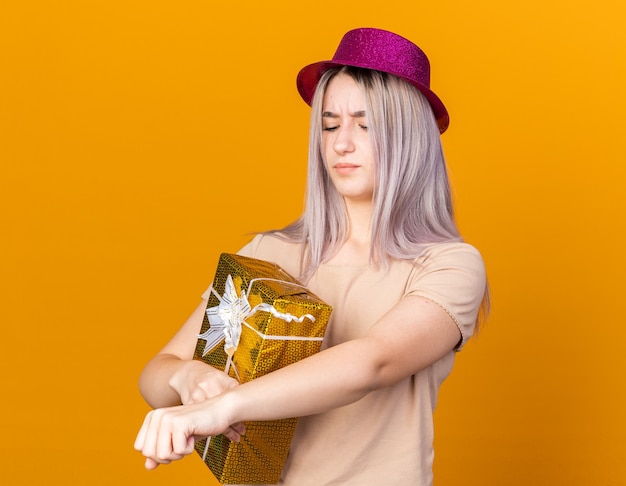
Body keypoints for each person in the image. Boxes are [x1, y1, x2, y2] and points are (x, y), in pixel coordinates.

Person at [134, 27, 489, 485]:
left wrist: (223, 407)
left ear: (410, 138)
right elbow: (156, 374)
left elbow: (371, 363)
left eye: (365, 125)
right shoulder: (269, 254)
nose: (341, 143)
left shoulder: (448, 265)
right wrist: (187, 379)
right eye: (329, 124)